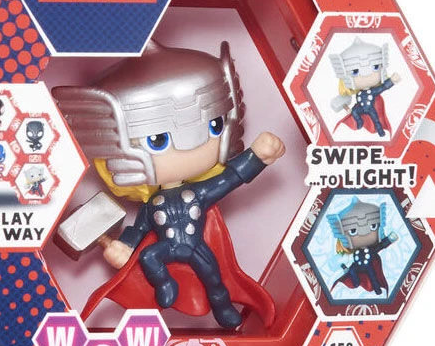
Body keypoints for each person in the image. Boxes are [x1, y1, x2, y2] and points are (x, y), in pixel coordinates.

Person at [53, 40, 284, 329]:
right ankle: (165, 285)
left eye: (214, 125)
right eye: (158, 140)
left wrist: (257, 157)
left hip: (196, 246)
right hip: (165, 250)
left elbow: (229, 179)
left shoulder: (199, 193)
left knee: (213, 278)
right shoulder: (152, 205)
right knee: (148, 257)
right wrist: (124, 247)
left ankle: (223, 307)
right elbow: (139, 229)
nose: (192, 148)